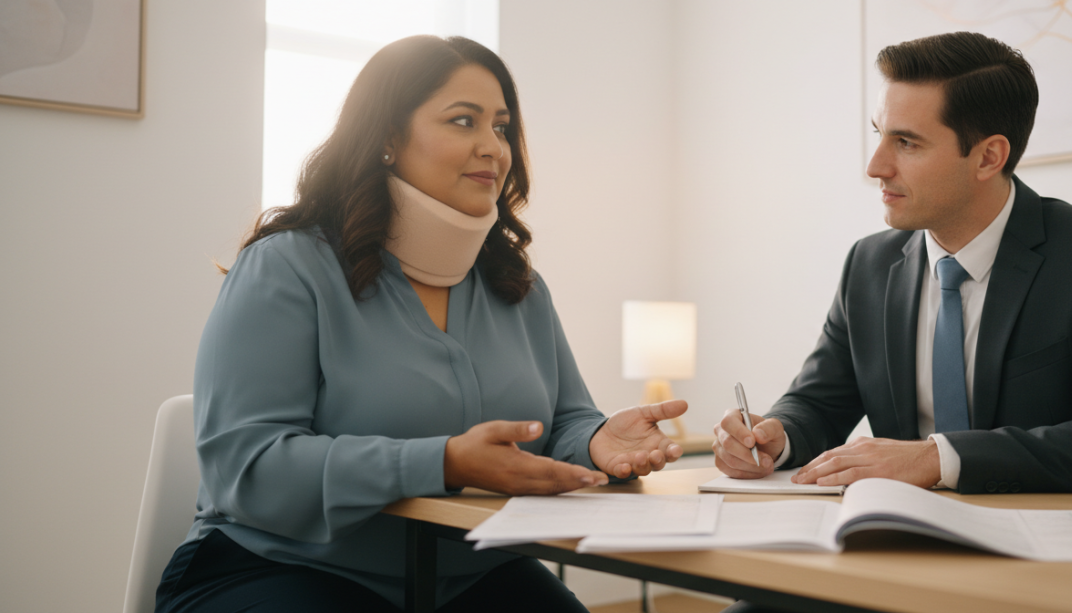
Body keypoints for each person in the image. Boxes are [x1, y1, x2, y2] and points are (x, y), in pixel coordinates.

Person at [155, 36, 686, 613]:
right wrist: (444, 462)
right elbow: (249, 467)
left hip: (466, 573)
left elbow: (560, 421)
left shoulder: (516, 286)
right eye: (464, 121)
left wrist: (596, 442)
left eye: (502, 127)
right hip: (280, 567)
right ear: (386, 138)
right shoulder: (287, 268)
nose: (493, 148)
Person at [713, 32, 1072, 497]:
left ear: (988, 157)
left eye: (907, 143)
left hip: (1049, 545)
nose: (875, 166)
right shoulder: (869, 263)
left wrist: (935, 457)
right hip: (901, 538)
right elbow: (818, 401)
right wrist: (777, 435)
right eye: (879, 135)